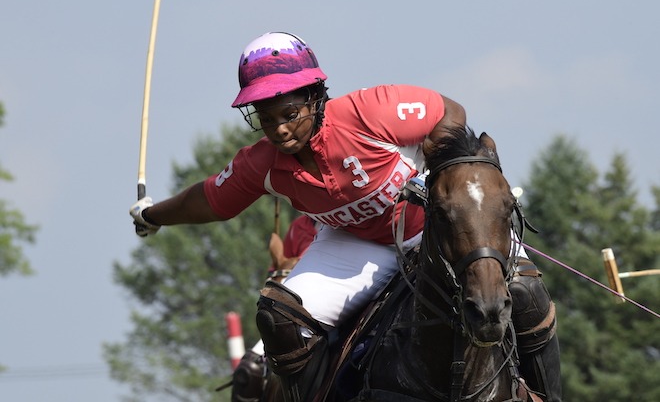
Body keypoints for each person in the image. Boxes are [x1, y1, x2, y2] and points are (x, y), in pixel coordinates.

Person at [130, 32, 561, 402]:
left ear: (316, 98)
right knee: (279, 317)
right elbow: (209, 199)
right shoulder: (260, 164)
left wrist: (441, 175)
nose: (279, 129)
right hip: (353, 246)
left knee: (524, 292)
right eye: (267, 118)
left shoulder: (371, 112)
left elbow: (450, 111)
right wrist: (153, 214)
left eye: (290, 114)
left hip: (437, 227)